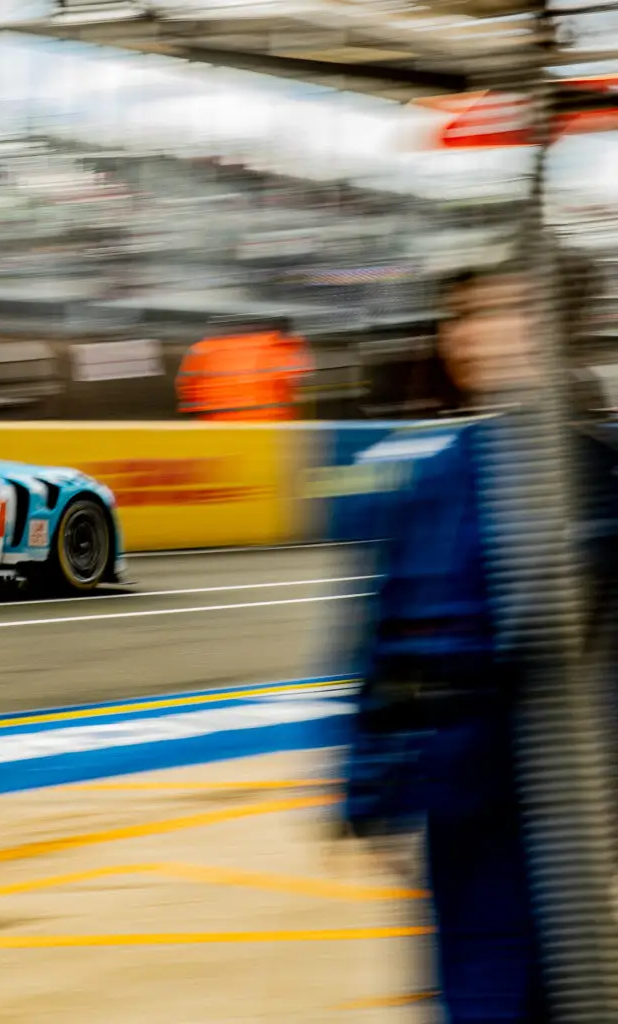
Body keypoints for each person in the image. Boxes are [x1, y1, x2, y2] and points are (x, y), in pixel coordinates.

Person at [340, 267, 549, 1023]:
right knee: (485, 988)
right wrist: (372, 784)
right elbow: (388, 637)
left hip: (559, 798)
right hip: (469, 806)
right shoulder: (439, 479)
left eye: (495, 311)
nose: (467, 334)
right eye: (460, 318)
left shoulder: (589, 469)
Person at [175, 315, 312, 421]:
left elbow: (188, 388)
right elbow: (298, 381)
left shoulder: (202, 349)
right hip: (271, 424)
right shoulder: (282, 346)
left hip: (218, 425)